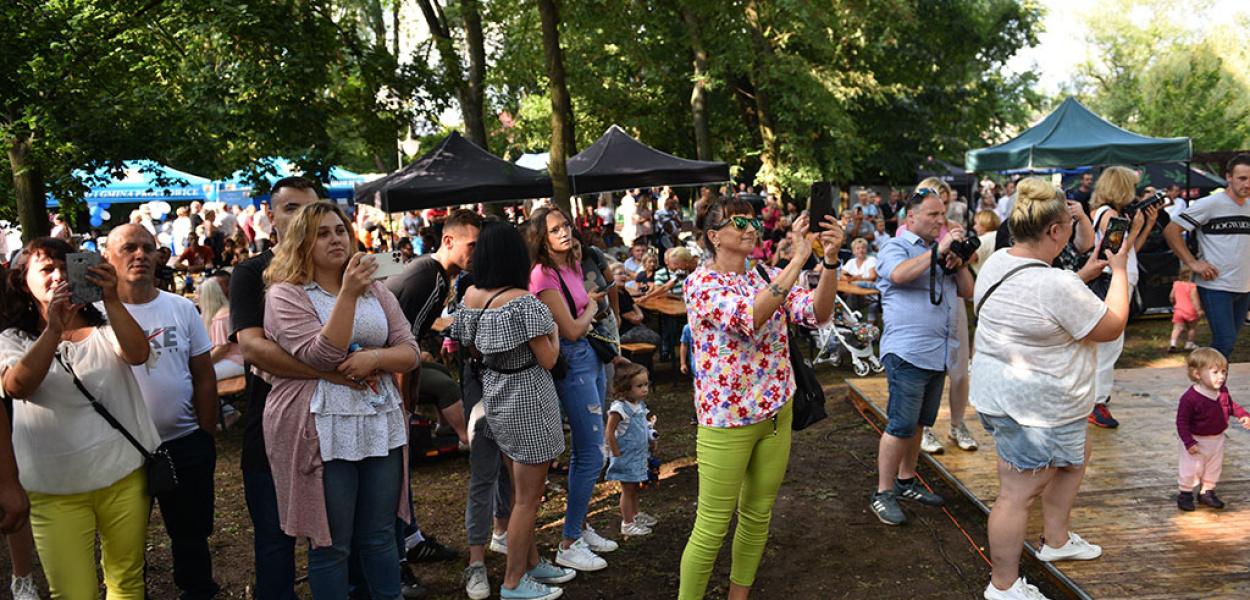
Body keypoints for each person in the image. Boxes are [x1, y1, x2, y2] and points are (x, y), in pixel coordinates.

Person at [970, 177, 1130, 600]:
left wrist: (1082, 275)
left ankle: (1056, 541)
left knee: (1076, 456)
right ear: (1055, 230)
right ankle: (1003, 585)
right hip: (1035, 409)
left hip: (1005, 397)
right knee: (1016, 494)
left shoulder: (999, 261)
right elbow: (1111, 325)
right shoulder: (1057, 285)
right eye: (1070, 226)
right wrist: (1119, 270)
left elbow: (1038, 301)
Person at [679, 197, 844, 600]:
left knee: (757, 515)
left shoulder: (764, 274)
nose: (751, 228)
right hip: (727, 422)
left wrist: (830, 261)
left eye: (754, 221)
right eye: (740, 222)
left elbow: (818, 312)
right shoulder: (701, 283)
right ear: (714, 236)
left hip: (776, 413)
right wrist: (798, 259)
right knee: (712, 526)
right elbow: (750, 315)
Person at [262, 202, 419, 600]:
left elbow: (411, 351)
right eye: (322, 233)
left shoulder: (376, 289)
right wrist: (347, 293)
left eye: (340, 231)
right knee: (332, 544)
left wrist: (375, 358)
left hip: (379, 420)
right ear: (302, 243)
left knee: (381, 534)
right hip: (322, 427)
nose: (336, 239)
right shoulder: (286, 295)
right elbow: (321, 356)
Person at [0, 237, 157, 600]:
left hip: (123, 476)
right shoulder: (13, 339)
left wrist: (112, 299)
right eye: (46, 269)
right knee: (73, 593)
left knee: (127, 581)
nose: (58, 276)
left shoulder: (106, 326)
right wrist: (53, 331)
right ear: (24, 282)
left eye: (64, 266)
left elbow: (138, 354)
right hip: (54, 490)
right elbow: (18, 386)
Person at [451, 221, 574, 600]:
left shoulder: (471, 296)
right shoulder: (525, 303)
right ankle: (514, 582)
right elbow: (549, 359)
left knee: (519, 491)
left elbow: (472, 348)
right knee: (527, 500)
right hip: (530, 399)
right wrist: (554, 332)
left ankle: (532, 563)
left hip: (496, 394)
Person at [102, 224, 222, 600]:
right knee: (123, 540)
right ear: (107, 257)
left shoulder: (180, 307)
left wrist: (204, 437)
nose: (140, 254)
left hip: (182, 442)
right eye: (129, 248)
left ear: (158, 255)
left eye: (147, 247)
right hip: (118, 448)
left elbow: (204, 375)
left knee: (191, 536)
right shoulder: (92, 314)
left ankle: (198, 592)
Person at [230, 176, 327, 600]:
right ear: (271, 217)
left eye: (311, 208)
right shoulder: (252, 272)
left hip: (337, 424)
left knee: (337, 538)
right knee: (274, 539)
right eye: (291, 208)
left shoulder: (336, 271)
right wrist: (330, 371)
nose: (303, 218)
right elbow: (253, 348)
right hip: (271, 427)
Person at [870, 188, 974, 526]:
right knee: (900, 424)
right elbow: (898, 274)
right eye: (933, 214)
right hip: (907, 352)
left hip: (938, 353)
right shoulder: (895, 246)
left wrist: (959, 261)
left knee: (919, 423)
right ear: (911, 217)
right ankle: (883, 493)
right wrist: (938, 251)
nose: (940, 220)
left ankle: (906, 481)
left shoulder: (939, 251)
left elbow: (969, 292)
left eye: (942, 214)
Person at [527, 205, 616, 572]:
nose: (564, 232)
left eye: (565, 225)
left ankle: (578, 526)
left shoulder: (573, 265)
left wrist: (590, 309)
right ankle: (568, 542)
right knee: (592, 453)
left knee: (587, 451)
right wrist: (592, 309)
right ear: (541, 238)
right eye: (554, 229)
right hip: (574, 361)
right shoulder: (543, 275)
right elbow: (573, 329)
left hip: (590, 359)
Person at [387, 208, 484, 449]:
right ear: (448, 241)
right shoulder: (429, 278)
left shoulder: (433, 271)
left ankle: (446, 429)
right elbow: (401, 348)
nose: (478, 252)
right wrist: (404, 412)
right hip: (380, 367)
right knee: (444, 384)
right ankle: (465, 439)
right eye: (472, 245)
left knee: (441, 371)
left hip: (392, 361)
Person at [1088, 166, 1158, 429]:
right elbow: (1115, 253)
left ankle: (1098, 397)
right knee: (1109, 345)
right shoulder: (1108, 215)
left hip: (1119, 282)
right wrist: (1136, 227)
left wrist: (1146, 226)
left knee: (1110, 345)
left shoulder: (1110, 214)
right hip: (1112, 285)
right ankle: (1096, 402)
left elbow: (1130, 251)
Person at [1164, 154, 1250, 360]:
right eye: (1242, 178)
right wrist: (1192, 263)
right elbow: (1171, 230)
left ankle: (1210, 379)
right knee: (1224, 341)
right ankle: (1205, 379)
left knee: (1228, 343)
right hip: (1215, 285)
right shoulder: (1210, 203)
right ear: (1228, 177)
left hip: (1244, 286)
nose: (1247, 184)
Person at [1175, 347, 1249, 512]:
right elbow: (1182, 422)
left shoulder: (1222, 392)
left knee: (1213, 468)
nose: (1221, 377)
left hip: (1217, 439)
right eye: (1215, 372)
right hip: (1196, 440)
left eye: (1223, 372)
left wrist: (1243, 414)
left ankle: (1207, 492)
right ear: (1197, 374)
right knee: (1190, 468)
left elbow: (1231, 406)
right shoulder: (1190, 398)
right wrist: (1189, 442)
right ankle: (1185, 494)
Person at [606, 362, 658, 539]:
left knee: (634, 487)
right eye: (639, 386)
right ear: (625, 387)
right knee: (627, 490)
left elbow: (644, 426)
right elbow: (609, 432)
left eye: (646, 384)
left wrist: (652, 440)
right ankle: (627, 523)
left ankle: (634, 515)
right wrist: (616, 453)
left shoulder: (640, 405)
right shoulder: (620, 409)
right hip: (626, 456)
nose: (645, 389)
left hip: (638, 455)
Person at [198, 275, 244, 380]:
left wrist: (202, 364)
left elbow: (222, 349)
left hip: (235, 361)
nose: (196, 297)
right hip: (238, 360)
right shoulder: (227, 310)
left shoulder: (220, 317)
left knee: (200, 376)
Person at [1169, 265, 1202, 353]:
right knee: (1191, 328)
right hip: (1190, 311)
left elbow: (1171, 296)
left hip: (1178, 310)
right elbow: (1194, 299)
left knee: (1177, 328)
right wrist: (1198, 310)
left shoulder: (1176, 284)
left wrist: (1174, 302)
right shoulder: (1192, 286)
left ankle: (1173, 343)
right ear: (1191, 275)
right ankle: (1189, 343)